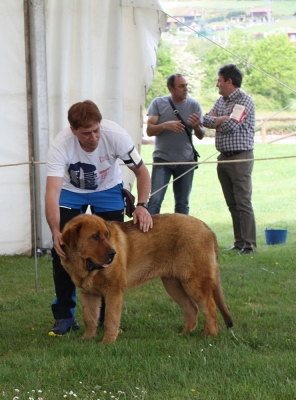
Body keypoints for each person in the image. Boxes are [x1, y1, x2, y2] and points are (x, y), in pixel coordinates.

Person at [45, 100, 153, 336]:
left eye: (96, 130)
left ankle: (107, 318)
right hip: (71, 192)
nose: (93, 137)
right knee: (61, 250)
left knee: (110, 246)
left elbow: (142, 171)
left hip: (108, 188)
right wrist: (55, 231)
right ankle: (64, 316)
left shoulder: (116, 136)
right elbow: (52, 192)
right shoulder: (60, 145)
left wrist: (143, 205)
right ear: (73, 131)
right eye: (86, 133)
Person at [202, 64, 256, 255]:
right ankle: (239, 241)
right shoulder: (221, 101)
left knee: (243, 202)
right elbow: (204, 119)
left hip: (240, 158)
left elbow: (231, 126)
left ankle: (249, 244)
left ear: (229, 82)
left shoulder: (244, 101)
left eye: (219, 81)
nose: (217, 85)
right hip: (223, 158)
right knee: (232, 203)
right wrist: (221, 119)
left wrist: (219, 121)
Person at [146, 74, 205, 215]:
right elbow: (149, 131)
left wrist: (197, 127)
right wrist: (165, 126)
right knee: (155, 201)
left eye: (186, 85)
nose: (185, 89)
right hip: (162, 161)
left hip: (186, 161)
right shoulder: (158, 103)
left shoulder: (194, 105)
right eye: (181, 86)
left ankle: (182, 235)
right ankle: (149, 236)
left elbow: (201, 135)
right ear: (170, 88)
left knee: (182, 204)